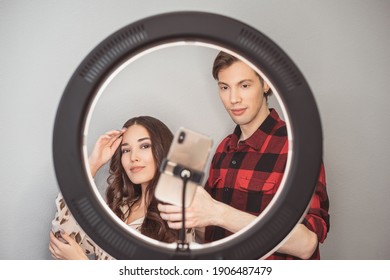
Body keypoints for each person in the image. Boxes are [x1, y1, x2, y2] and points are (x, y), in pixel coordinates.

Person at [158, 52, 330, 260]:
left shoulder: (297, 148)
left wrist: (217, 213)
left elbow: (306, 244)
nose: (233, 99)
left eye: (244, 85)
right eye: (224, 87)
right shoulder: (224, 149)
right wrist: (188, 216)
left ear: (266, 84)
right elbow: (213, 234)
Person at [49, 116, 188, 260]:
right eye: (126, 150)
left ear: (163, 150)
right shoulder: (120, 209)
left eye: (145, 146)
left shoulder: (179, 215)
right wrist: (92, 165)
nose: (133, 157)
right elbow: (62, 243)